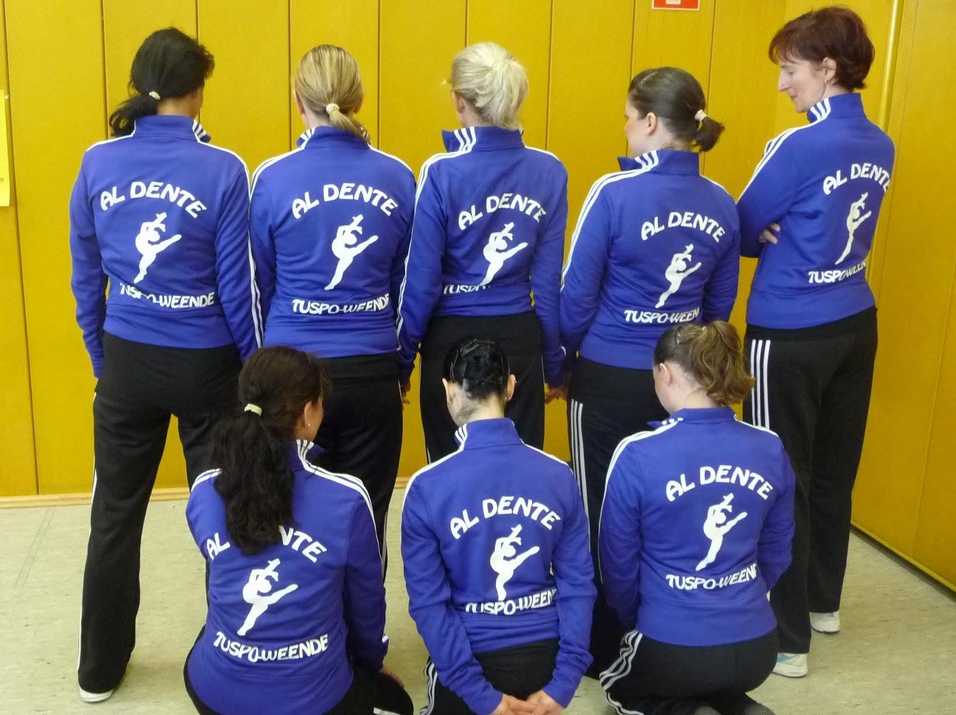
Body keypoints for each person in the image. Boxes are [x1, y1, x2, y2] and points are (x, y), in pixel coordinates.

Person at [69, 27, 261, 702]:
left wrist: (104, 358)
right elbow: (238, 288)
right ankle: (234, 655)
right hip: (207, 364)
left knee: (114, 515)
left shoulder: (96, 162)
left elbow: (84, 279)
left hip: (127, 360)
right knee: (223, 509)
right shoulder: (224, 167)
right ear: (198, 90)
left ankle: (97, 670)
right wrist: (253, 371)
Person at [558, 66, 740, 671]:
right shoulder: (722, 202)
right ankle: (666, 635)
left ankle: (599, 645)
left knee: (597, 510)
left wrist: (561, 363)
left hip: (608, 378)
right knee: (672, 506)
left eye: (629, 119)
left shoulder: (613, 193)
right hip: (684, 382)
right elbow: (717, 310)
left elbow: (575, 299)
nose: (627, 130)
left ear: (652, 123)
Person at [736, 7, 895, 677]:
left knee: (782, 481)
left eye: (790, 70)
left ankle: (787, 637)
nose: (782, 85)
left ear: (828, 69)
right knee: (833, 472)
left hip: (790, 334)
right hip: (856, 325)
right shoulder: (880, 143)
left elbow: (740, 228)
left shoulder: (796, 146)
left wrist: (769, 231)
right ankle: (823, 604)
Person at [184, 346, 413, 715]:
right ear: (308, 414)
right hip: (316, 703)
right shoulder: (346, 499)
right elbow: (366, 607)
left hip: (212, 694)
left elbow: (221, 578)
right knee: (400, 704)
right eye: (321, 403)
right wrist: (371, 665)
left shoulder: (205, 490)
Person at [249, 44, 414, 549]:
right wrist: (399, 365)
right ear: (360, 98)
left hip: (291, 371)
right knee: (367, 517)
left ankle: (302, 628)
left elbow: (260, 283)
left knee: (287, 513)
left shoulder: (271, 178)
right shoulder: (399, 176)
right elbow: (405, 285)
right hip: (371, 371)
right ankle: (363, 631)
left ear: (297, 100)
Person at [599, 322, 795, 715]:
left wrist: (644, 618)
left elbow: (616, 569)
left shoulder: (636, 454)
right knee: (703, 677)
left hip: (671, 642)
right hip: (758, 646)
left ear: (664, 372)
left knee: (618, 687)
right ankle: (741, 708)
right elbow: (776, 556)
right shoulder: (770, 447)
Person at [402, 339, 595, 715]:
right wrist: (564, 683)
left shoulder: (425, 487)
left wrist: (480, 696)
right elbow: (578, 586)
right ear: (509, 387)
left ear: (449, 391)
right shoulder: (559, 475)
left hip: (472, 660)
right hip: (546, 661)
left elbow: (429, 605)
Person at [396, 42, 568, 461]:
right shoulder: (550, 170)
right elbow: (546, 285)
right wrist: (555, 363)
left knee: (451, 468)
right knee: (522, 468)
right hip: (519, 338)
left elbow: (421, 283)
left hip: (450, 337)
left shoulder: (441, 172)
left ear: (458, 101)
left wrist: (402, 362)